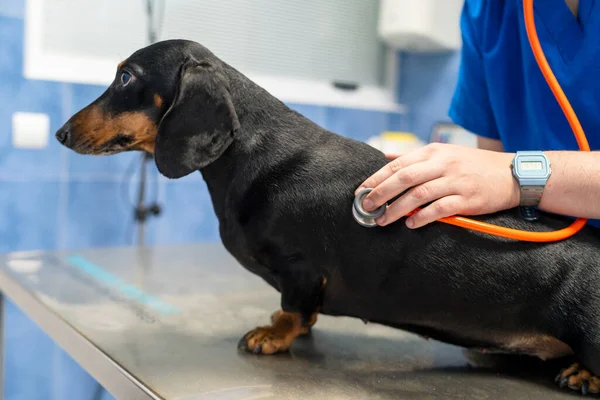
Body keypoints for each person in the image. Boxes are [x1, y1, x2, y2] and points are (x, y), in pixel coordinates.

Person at [356, 0, 600, 230]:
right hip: (541, 248)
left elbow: (497, 173)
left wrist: (513, 177)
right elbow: (488, 181)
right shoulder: (487, 9)